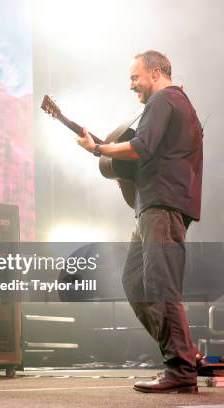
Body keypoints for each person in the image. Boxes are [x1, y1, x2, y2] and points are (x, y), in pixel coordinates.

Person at [76, 50, 202, 394]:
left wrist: (99, 150)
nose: (131, 85)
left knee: (161, 287)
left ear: (156, 72)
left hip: (162, 206)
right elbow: (152, 152)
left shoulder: (164, 100)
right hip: (153, 207)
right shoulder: (176, 104)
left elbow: (141, 147)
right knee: (134, 282)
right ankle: (184, 355)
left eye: (135, 77)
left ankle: (180, 369)